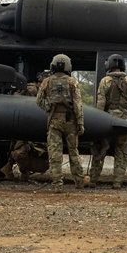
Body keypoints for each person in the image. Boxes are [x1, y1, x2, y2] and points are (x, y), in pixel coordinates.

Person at [91, 54, 127, 189]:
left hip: (107, 121)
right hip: (123, 122)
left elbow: (100, 104)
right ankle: (117, 182)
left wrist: (98, 121)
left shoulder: (105, 81)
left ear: (109, 65)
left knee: (101, 149)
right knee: (121, 152)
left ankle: (93, 179)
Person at [34, 54, 85, 193]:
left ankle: (57, 184)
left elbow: (38, 101)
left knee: (55, 154)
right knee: (74, 152)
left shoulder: (46, 82)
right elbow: (77, 104)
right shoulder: (72, 82)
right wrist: (80, 123)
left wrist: (48, 108)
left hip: (54, 121)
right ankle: (79, 182)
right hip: (70, 122)